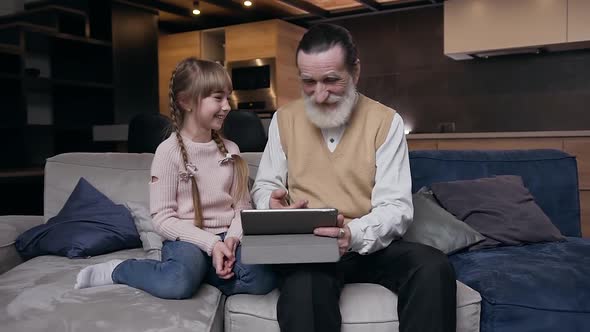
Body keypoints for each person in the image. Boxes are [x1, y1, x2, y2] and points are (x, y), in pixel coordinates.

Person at [251, 24, 456, 332]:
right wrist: (270, 202)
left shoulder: (386, 122)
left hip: (370, 244)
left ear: (355, 71)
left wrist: (352, 235)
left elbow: (396, 207)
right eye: (308, 82)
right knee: (304, 287)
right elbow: (266, 184)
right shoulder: (284, 120)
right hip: (310, 250)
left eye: (332, 80)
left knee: (433, 267)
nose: (319, 94)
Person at [74, 58, 276, 299]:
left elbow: (243, 209)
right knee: (177, 283)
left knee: (263, 278)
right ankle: (121, 270)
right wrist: (211, 245)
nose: (227, 106)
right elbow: (162, 219)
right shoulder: (168, 152)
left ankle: (201, 273)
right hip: (186, 239)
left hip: (226, 236)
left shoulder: (231, 149)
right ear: (186, 101)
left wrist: (231, 239)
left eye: (228, 97)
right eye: (218, 98)